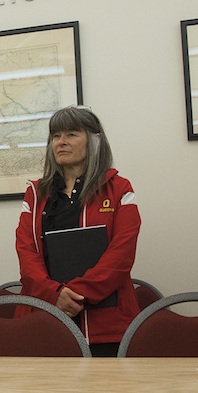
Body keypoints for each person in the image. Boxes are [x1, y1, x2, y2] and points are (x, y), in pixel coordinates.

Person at [15, 106, 141, 357]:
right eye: (55, 136)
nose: (61, 142)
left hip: (107, 325)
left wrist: (75, 296)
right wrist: (55, 295)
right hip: (45, 317)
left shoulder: (119, 189)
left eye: (71, 134)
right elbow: (26, 253)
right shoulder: (35, 193)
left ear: (95, 140)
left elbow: (121, 255)